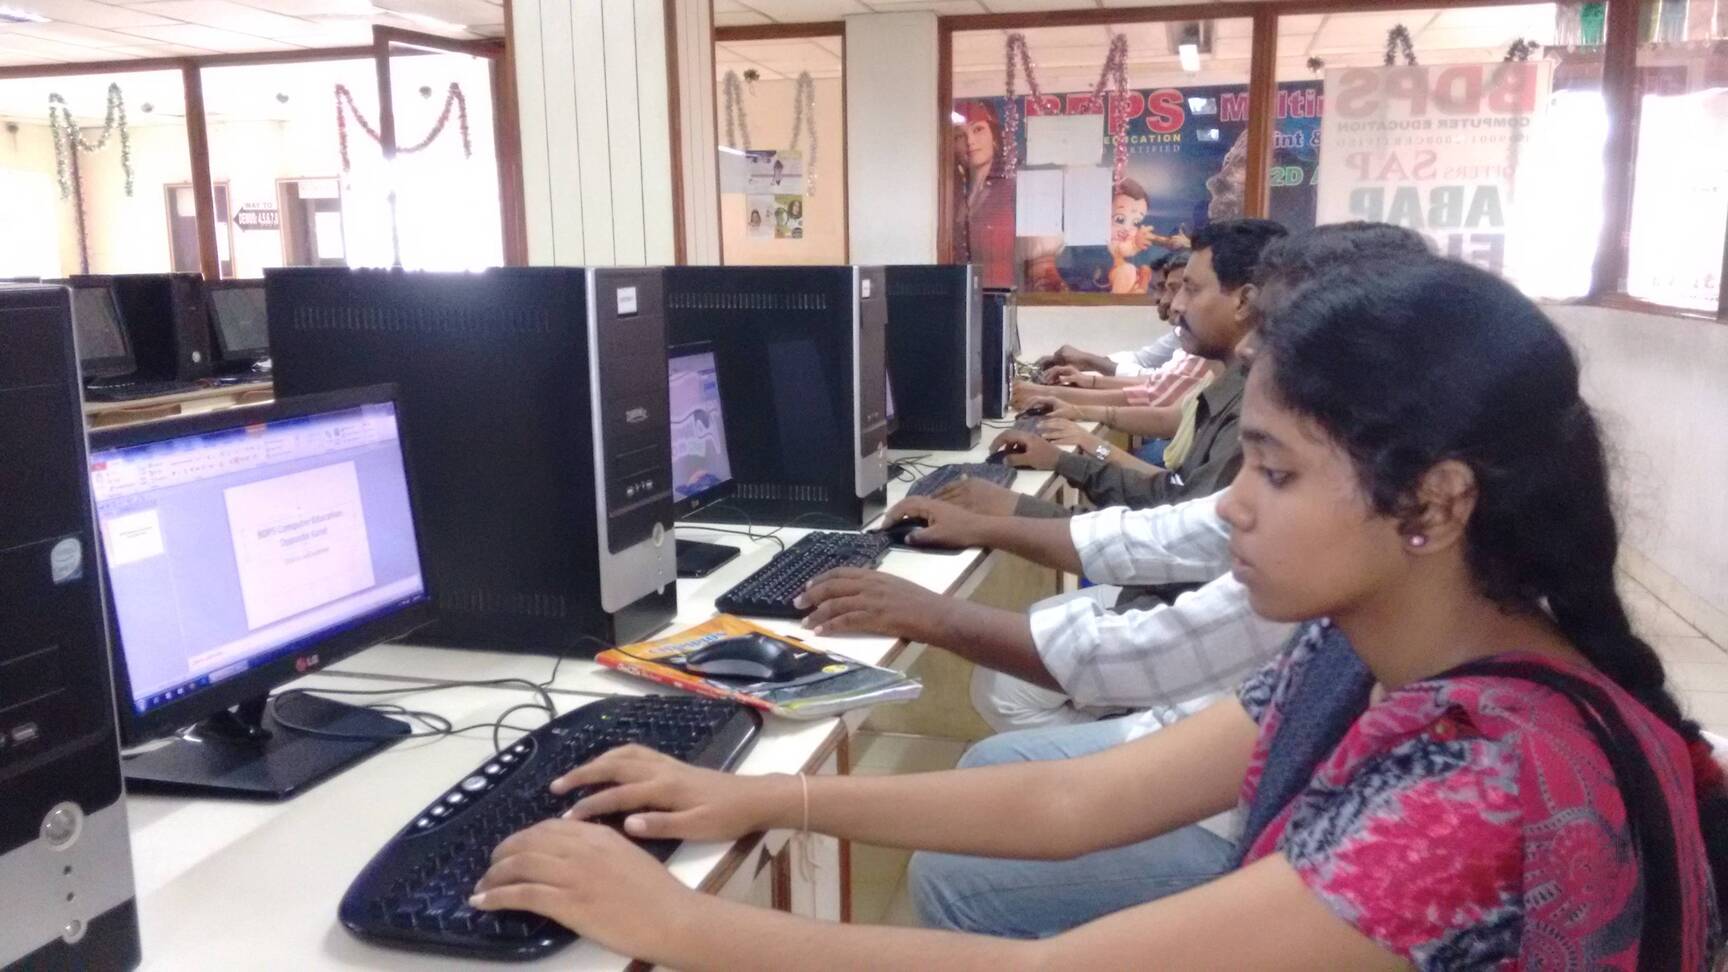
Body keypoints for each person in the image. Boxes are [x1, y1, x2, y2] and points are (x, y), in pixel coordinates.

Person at [469, 257, 1727, 967]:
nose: (1233, 509)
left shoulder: (1480, 791)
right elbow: (1076, 803)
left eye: (1276, 473)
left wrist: (683, 927)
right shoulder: (1369, 653)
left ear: (1435, 504)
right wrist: (761, 798)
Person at [994, 219, 1288, 520]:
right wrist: (1061, 459)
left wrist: (1020, 512)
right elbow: (1175, 493)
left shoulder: (1256, 407)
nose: (1175, 305)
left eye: (1190, 289)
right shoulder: (1233, 382)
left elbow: (1177, 527)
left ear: (1244, 302)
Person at [952, 101, 1017, 289]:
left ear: (994, 137)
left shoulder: (1012, 192)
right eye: (960, 135)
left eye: (978, 129)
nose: (970, 141)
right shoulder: (950, 197)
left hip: (1002, 299)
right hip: (959, 298)